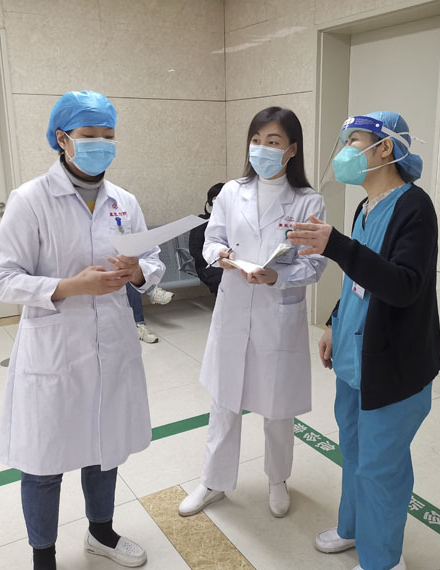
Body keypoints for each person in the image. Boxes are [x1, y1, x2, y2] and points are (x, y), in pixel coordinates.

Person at [0, 91, 165, 570]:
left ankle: (101, 533)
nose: (101, 144)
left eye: (108, 135)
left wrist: (138, 272)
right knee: (43, 461)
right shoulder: (30, 200)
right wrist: (70, 286)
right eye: (90, 135)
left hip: (112, 343)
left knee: (105, 449)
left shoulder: (124, 201)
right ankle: (43, 555)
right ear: (63, 139)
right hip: (54, 347)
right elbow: (2, 279)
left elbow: (151, 260)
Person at [287, 112, 440, 570]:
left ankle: (383, 561)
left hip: (393, 363)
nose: (346, 153)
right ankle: (353, 527)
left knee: (381, 467)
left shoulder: (415, 207)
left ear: (385, 148)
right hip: (356, 356)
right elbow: (359, 278)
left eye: (354, 141)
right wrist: (334, 322)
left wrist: (335, 245)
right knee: (354, 450)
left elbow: (403, 285)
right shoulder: (365, 207)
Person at [178, 107, 327, 519]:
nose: (262, 149)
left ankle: (278, 479)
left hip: (277, 312)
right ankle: (213, 481)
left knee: (278, 407)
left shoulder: (308, 201)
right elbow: (211, 241)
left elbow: (315, 265)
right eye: (257, 140)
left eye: (273, 142)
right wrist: (222, 255)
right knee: (224, 401)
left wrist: (278, 277)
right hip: (234, 306)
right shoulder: (231, 191)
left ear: (292, 149)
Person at [189, 182, 224, 295]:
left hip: (227, 264)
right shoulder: (201, 222)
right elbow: (195, 250)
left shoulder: (231, 222)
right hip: (206, 266)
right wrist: (214, 260)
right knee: (223, 279)